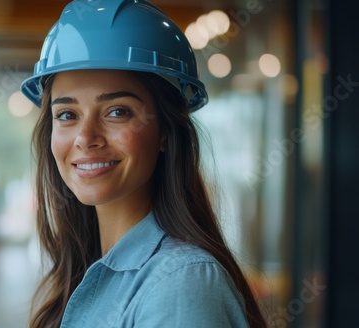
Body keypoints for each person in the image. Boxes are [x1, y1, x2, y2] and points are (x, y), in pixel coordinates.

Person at [21, 0, 267, 327]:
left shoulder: (180, 284)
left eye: (118, 111)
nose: (85, 137)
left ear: (165, 131)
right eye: (67, 115)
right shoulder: (87, 270)